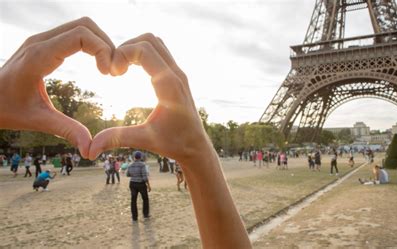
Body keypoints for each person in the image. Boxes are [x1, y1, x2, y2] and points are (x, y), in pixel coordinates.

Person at [0, 18, 251, 248]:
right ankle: (141, 214)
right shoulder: (140, 165)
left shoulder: (131, 166)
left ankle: (137, 215)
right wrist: (199, 155)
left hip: (133, 185)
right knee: (140, 202)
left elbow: (128, 172)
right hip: (140, 184)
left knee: (135, 201)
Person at [127, 151, 151, 221]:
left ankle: (134, 217)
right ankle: (145, 214)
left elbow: (128, 174)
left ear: (134, 157)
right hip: (141, 184)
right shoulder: (142, 165)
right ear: (140, 157)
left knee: (133, 200)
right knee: (145, 199)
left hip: (132, 183)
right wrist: (148, 185)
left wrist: (134, 174)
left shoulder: (130, 165)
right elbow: (144, 177)